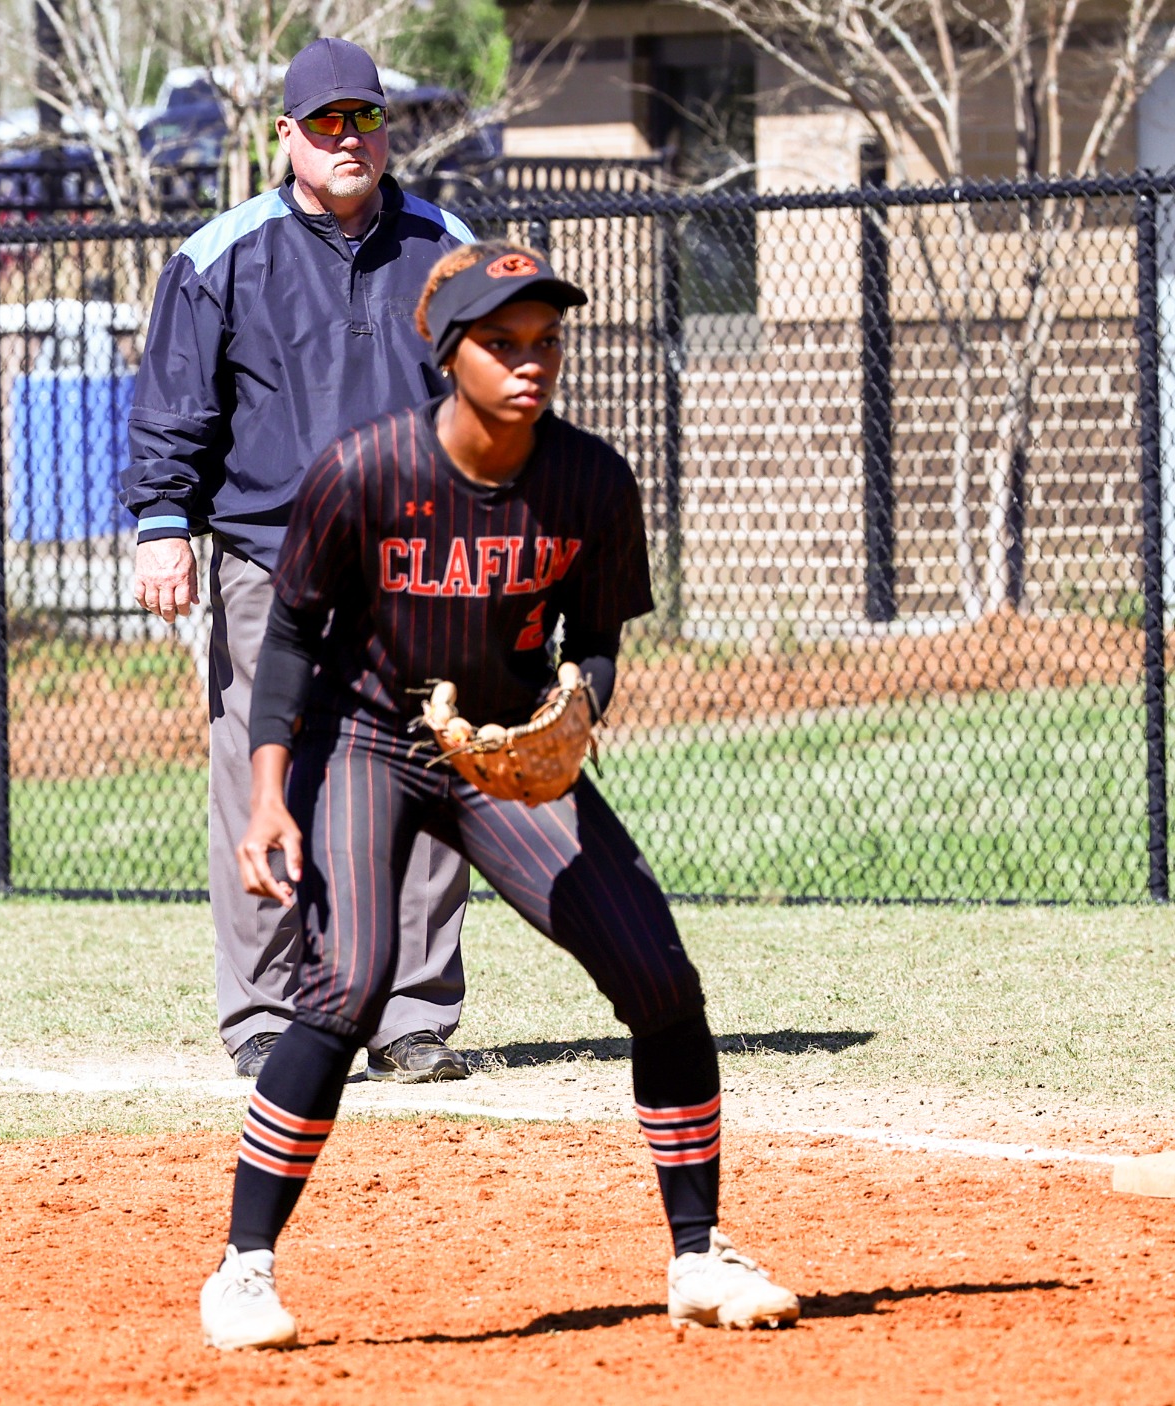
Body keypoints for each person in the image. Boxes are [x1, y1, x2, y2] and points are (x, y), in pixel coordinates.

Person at [196, 244, 801, 1350]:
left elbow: (596, 638)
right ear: (447, 356)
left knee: (659, 978)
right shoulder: (365, 471)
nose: (530, 362)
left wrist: (576, 706)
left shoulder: (589, 479)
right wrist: (267, 795)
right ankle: (243, 1267)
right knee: (348, 985)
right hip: (368, 738)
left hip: (503, 753)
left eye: (545, 342)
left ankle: (698, 1254)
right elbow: (287, 639)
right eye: (500, 342)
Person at [124, 37, 480, 1082]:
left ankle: (409, 1015)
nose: (347, 138)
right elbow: (175, 406)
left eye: (363, 118)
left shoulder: (448, 246)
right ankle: (266, 1015)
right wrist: (162, 525)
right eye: (325, 122)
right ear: (286, 135)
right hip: (269, 558)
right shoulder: (221, 255)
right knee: (262, 775)